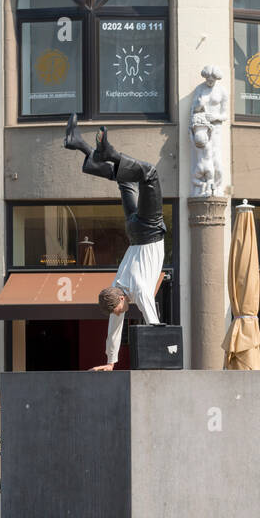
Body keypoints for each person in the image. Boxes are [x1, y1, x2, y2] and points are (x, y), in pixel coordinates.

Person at [66, 118, 168, 371]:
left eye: (120, 309)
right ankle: (80, 146)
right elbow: (113, 330)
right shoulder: (115, 288)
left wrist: (157, 339)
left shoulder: (136, 287)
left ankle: (109, 153)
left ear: (120, 299)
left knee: (149, 174)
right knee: (126, 180)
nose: (122, 313)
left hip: (149, 230)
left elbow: (150, 312)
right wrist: (111, 361)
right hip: (134, 230)